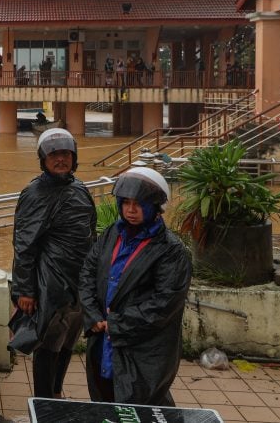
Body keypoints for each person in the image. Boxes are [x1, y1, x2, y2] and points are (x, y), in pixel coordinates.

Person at [79, 167, 192, 406]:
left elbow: (164, 304)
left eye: (139, 204)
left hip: (143, 350)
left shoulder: (171, 250)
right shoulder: (112, 233)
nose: (131, 210)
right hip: (103, 342)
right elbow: (88, 272)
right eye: (126, 203)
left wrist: (116, 324)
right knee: (105, 402)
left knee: (141, 406)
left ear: (155, 207)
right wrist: (93, 315)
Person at [9, 128, 97, 399]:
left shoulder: (79, 188)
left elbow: (90, 233)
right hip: (51, 282)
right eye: (54, 154)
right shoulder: (36, 193)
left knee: (67, 343)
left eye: (66, 154)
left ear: (74, 157)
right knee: (48, 346)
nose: (61, 159)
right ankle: (44, 401)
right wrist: (25, 290)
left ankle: (56, 394)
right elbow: (24, 245)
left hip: (78, 283)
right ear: (43, 159)